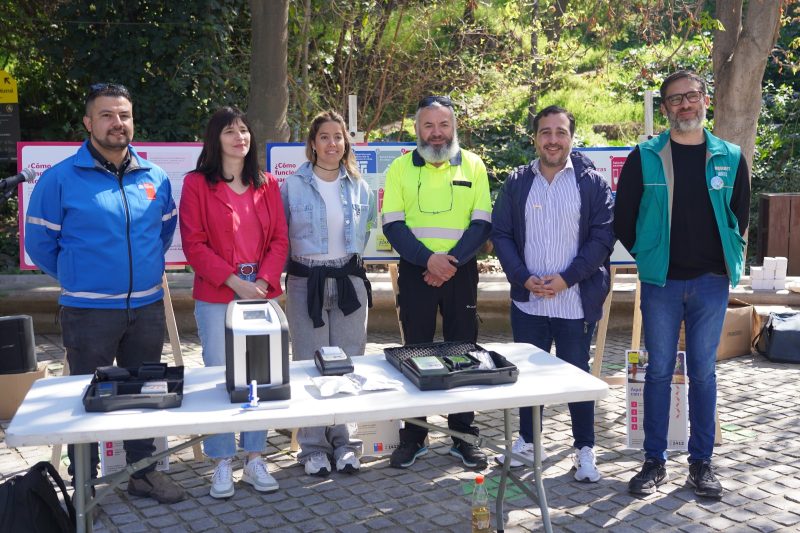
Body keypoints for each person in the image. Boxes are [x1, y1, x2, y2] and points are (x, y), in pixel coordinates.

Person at [24, 83, 185, 504]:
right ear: (88, 122)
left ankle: (144, 474)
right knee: (85, 399)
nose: (118, 123)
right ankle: (83, 484)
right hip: (88, 312)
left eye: (124, 115)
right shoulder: (61, 179)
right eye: (108, 115)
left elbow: (162, 232)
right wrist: (80, 276)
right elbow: (41, 244)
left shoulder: (155, 177)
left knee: (144, 394)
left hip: (146, 306)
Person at [615, 70, 750, 499]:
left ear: (705, 100)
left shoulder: (730, 155)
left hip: (711, 282)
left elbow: (740, 215)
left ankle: (702, 463)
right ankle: (654, 461)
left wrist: (725, 260)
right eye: (675, 100)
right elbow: (624, 218)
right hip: (662, 283)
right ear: (666, 107)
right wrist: (650, 256)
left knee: (705, 374)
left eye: (691, 96)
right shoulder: (645, 156)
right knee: (657, 372)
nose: (685, 105)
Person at [491, 105, 614, 482]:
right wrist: (523, 277)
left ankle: (585, 448)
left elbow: (603, 238)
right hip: (529, 301)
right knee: (528, 377)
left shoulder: (592, 183)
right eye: (546, 132)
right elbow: (502, 234)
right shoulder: (517, 181)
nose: (553, 140)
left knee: (577, 377)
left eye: (560, 132)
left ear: (571, 137)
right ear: (535, 137)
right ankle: (528, 442)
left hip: (574, 301)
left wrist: (566, 279)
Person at [179, 106, 288, 498]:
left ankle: (255, 456)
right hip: (217, 294)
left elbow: (279, 240)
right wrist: (233, 281)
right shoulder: (196, 185)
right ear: (215, 139)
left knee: (259, 372)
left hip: (260, 293)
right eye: (230, 131)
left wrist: (260, 280)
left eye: (244, 130)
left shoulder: (268, 184)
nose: (240, 137)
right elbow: (193, 243)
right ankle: (222, 461)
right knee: (220, 376)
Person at [381, 95, 492, 470]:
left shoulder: (474, 165)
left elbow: (481, 224)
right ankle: (414, 436)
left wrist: (449, 263)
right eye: (428, 125)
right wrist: (428, 260)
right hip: (416, 272)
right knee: (416, 350)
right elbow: (393, 224)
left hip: (460, 271)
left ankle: (463, 436)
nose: (436, 133)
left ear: (454, 128)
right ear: (417, 129)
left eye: (443, 125)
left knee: (464, 352)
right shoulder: (400, 168)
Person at [281, 110, 375, 476]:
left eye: (338, 137)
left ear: (345, 143)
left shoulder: (359, 185)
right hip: (307, 282)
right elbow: (282, 235)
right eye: (325, 136)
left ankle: (346, 443)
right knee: (309, 364)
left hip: (349, 281)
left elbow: (365, 230)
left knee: (349, 363)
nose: (332, 143)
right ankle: (313, 447)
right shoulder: (292, 186)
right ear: (312, 143)